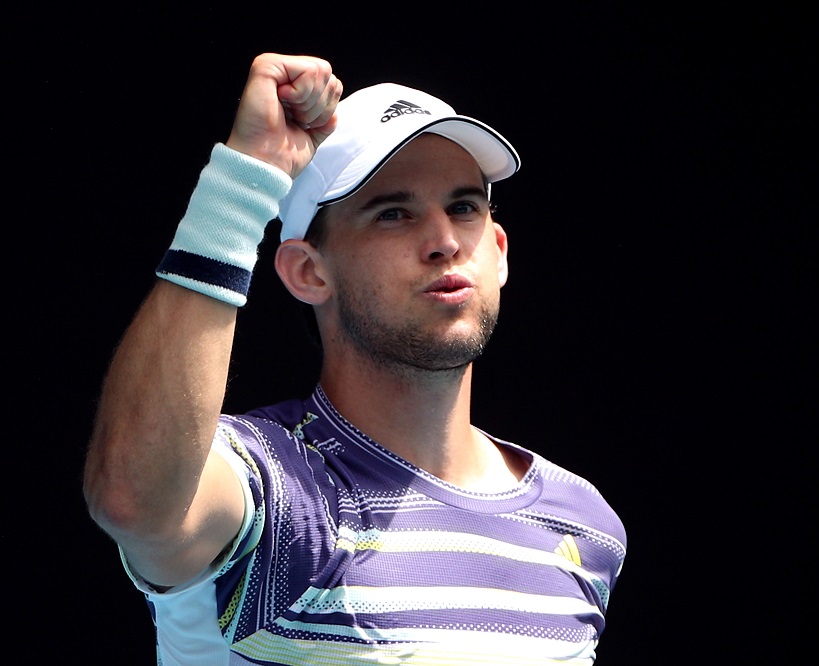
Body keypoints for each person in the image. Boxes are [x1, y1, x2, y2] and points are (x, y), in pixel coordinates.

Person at [83, 52, 627, 665]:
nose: (445, 241)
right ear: (308, 271)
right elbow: (135, 502)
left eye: (465, 207)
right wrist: (242, 182)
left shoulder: (585, 524)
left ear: (498, 252)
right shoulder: (265, 482)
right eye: (393, 213)